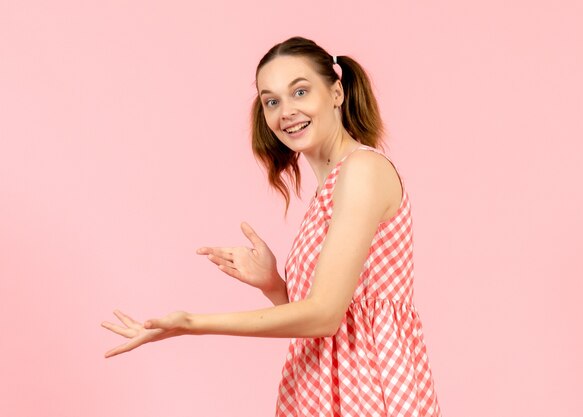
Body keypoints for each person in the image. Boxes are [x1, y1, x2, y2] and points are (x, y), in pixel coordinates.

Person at [101, 36, 442, 417]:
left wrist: (192, 322)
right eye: (272, 101)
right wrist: (274, 285)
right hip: (329, 386)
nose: (286, 111)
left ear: (336, 92)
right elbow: (322, 321)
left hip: (366, 390)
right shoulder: (332, 187)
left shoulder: (363, 171)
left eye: (300, 91)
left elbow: (326, 315)